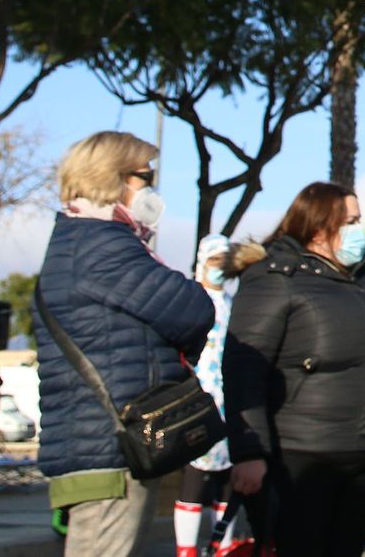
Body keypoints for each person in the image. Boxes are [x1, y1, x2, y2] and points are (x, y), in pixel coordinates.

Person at [35, 132, 214, 557]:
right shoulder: (102, 244)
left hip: (102, 443)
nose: (152, 187)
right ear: (111, 177)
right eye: (144, 176)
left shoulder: (83, 240)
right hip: (110, 451)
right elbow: (192, 309)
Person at [224, 182, 365, 557]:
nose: (358, 229)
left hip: (364, 455)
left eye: (358, 219)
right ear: (317, 228)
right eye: (349, 221)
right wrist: (249, 452)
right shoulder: (275, 277)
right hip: (299, 459)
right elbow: (244, 372)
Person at [176, 234, 250, 557]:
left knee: (226, 481)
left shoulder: (235, 304)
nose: (219, 268)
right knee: (195, 478)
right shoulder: (191, 300)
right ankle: (186, 548)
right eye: (214, 261)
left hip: (230, 403)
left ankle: (223, 544)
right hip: (197, 401)